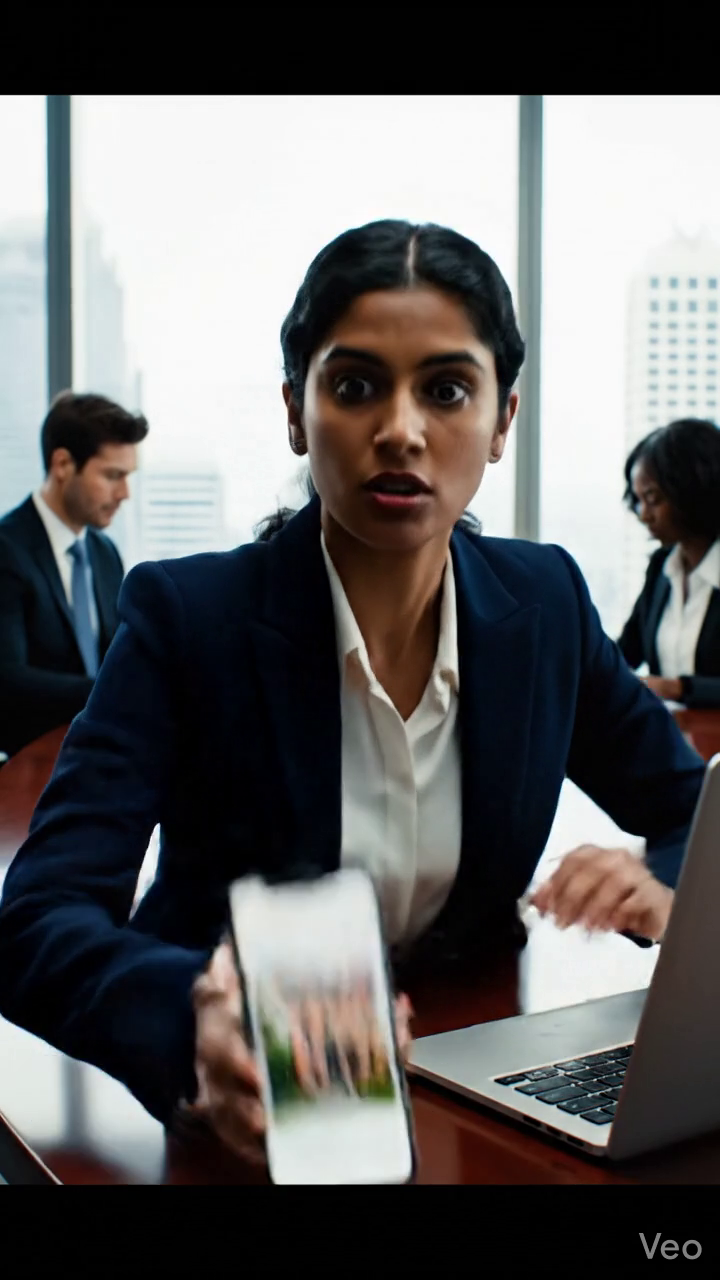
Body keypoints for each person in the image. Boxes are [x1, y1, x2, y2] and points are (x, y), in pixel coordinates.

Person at [0, 220, 707, 1171]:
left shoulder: (541, 604)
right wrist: (189, 1020)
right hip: (256, 1117)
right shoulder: (189, 617)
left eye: (448, 389)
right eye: (356, 385)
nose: (402, 429)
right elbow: (39, 920)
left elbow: (691, 816)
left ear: (503, 423)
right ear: (298, 410)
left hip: (468, 1080)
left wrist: (664, 885)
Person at [0, 391, 148, 756]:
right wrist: (111, 688)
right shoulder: (6, 549)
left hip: (99, 757)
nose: (125, 493)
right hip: (29, 765)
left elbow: (119, 652)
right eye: (113, 476)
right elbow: (7, 680)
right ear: (63, 464)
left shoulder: (104, 553)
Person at [618, 419, 720, 709]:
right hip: (674, 743)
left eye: (652, 499)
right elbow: (625, 653)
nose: (643, 514)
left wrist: (676, 688)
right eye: (637, 501)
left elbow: (668, 687)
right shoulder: (662, 567)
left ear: (692, 491)